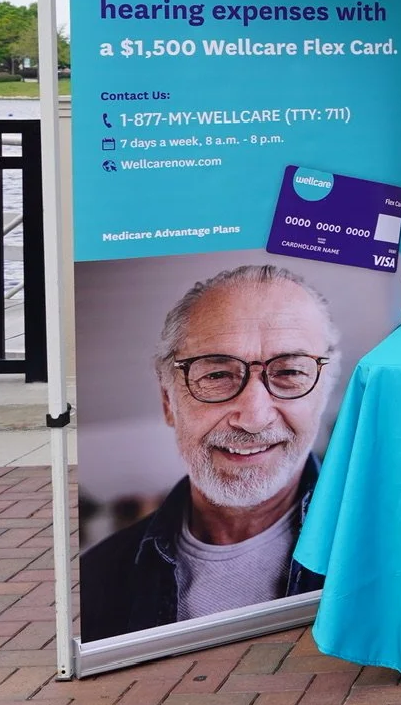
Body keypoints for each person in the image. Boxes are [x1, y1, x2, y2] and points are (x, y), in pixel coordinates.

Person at [79, 263, 340, 640]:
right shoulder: (98, 579)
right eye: (217, 375)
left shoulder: (385, 545)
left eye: (289, 372)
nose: (253, 417)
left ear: (323, 391)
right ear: (168, 399)